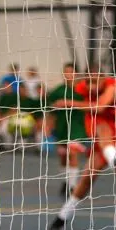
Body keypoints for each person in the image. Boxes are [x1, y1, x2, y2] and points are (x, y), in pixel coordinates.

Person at [48, 66, 116, 230]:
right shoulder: (83, 86)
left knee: (102, 127)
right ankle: (62, 217)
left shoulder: (113, 87)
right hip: (98, 141)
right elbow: (73, 83)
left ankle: (115, 158)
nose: (92, 86)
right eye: (89, 82)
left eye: (96, 81)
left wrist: (69, 103)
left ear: (104, 78)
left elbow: (100, 107)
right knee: (87, 178)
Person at [47, 62, 88, 196]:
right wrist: (48, 125)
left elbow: (91, 105)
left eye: (71, 72)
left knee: (73, 153)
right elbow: (50, 109)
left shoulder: (83, 90)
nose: (68, 75)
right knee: (63, 156)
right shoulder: (58, 91)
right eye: (66, 72)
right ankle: (66, 181)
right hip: (62, 126)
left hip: (77, 126)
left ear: (76, 74)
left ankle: (73, 186)